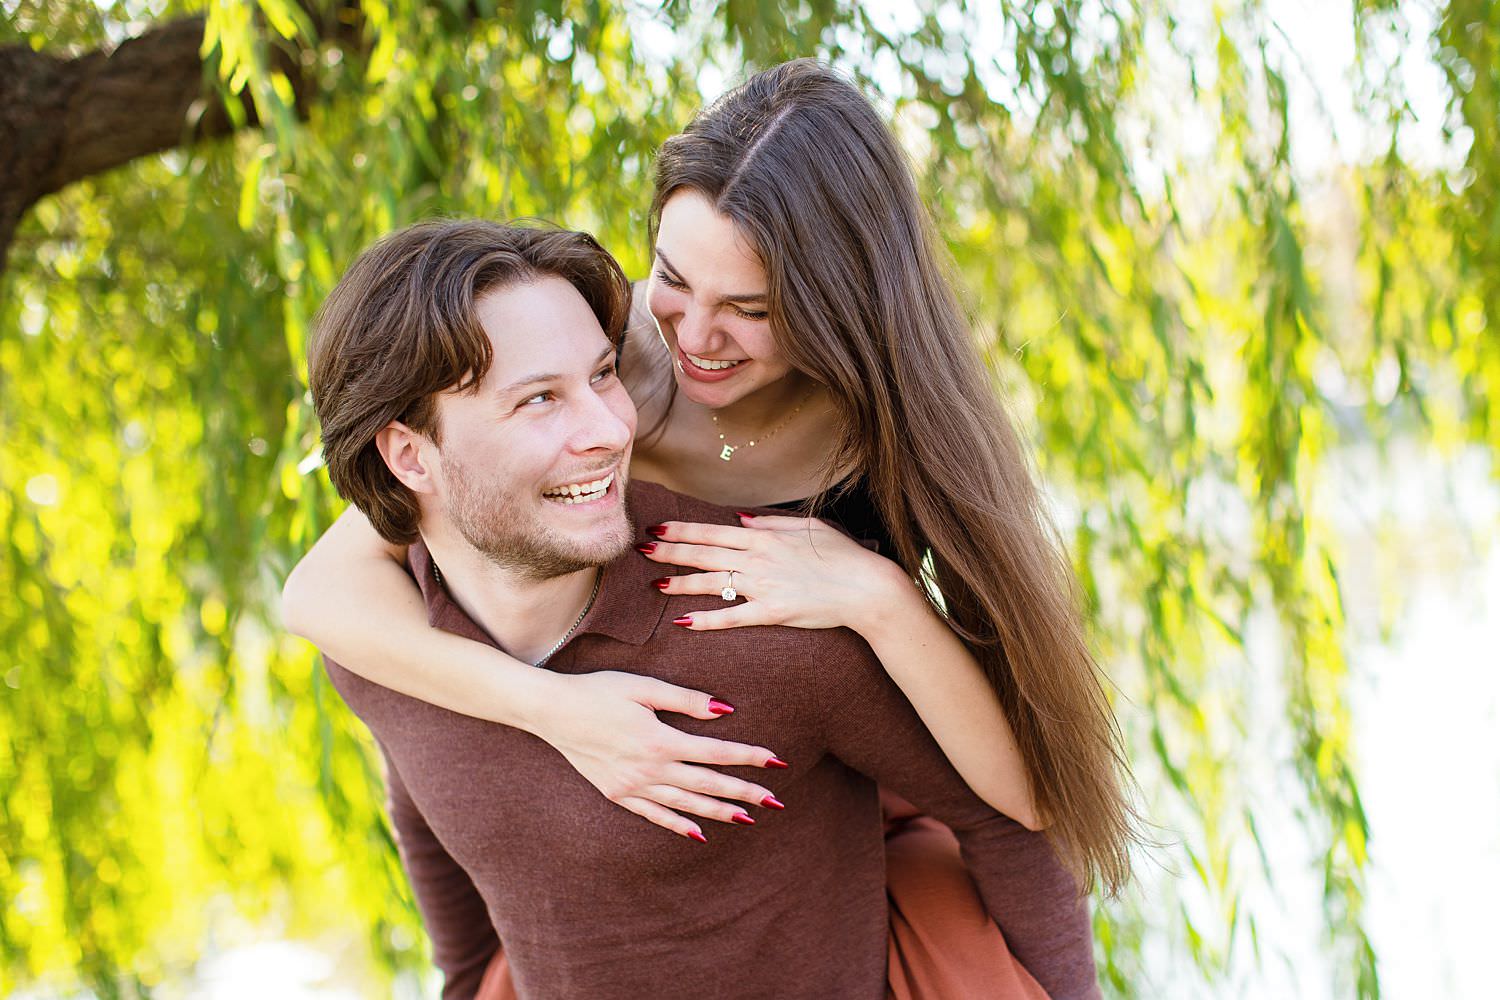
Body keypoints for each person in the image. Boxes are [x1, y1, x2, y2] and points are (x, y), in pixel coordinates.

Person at [285, 59, 1135, 989]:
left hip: (824, 797)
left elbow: (1019, 799)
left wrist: (877, 593)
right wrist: (556, 711)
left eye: (752, 310)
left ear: (835, 311)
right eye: (671, 278)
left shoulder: (890, 445)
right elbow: (331, 595)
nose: (692, 335)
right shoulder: (613, 360)